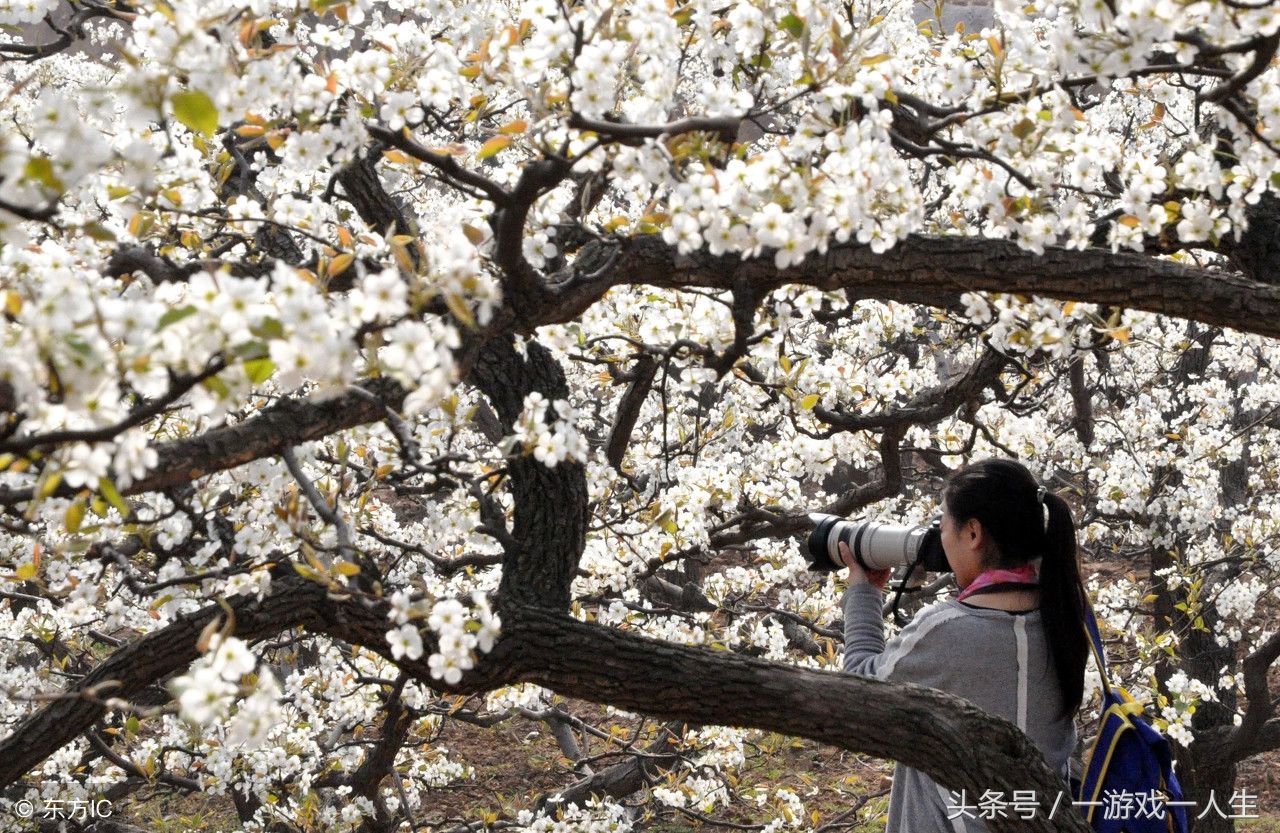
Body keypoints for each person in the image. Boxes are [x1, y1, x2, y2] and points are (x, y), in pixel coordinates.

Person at [841, 458, 1088, 833]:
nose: (938, 535)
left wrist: (864, 591)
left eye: (943, 523)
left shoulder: (947, 630)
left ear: (973, 534)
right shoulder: (1067, 618)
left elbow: (856, 691)